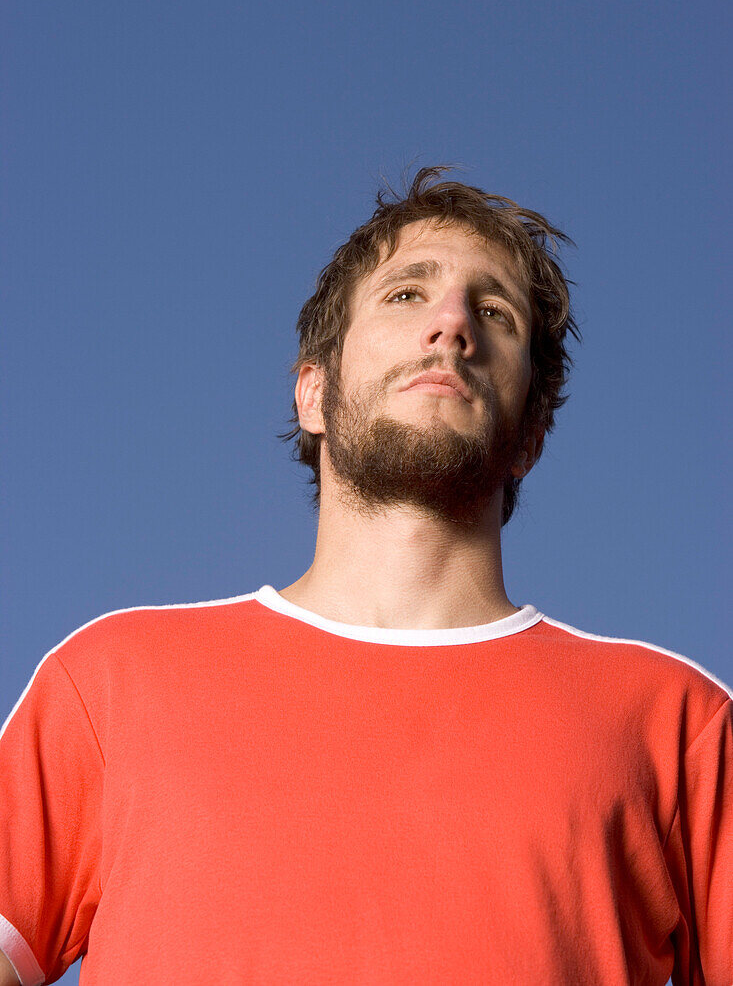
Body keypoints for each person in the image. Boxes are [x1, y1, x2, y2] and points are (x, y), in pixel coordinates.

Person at [0, 167, 730, 984]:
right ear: (313, 394)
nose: (451, 324)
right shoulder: (109, 683)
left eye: (494, 313)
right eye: (406, 295)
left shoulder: (675, 723)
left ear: (530, 437)